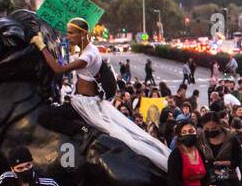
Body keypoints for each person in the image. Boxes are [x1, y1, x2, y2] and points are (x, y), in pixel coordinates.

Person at [32, 17, 170, 169]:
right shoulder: (87, 49)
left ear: (82, 34)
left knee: (44, 116)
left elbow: (58, 69)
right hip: (81, 101)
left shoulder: (88, 55)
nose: (68, 36)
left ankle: (83, 130)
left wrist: (41, 46)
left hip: (84, 105)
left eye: (71, 33)